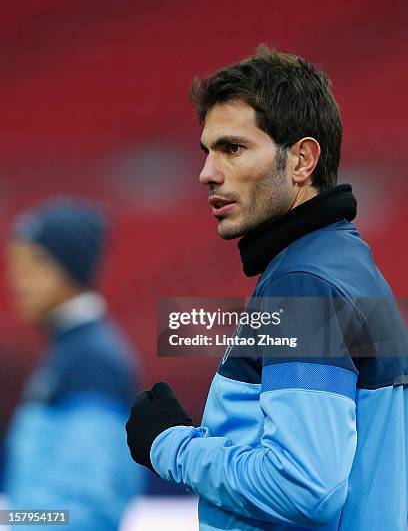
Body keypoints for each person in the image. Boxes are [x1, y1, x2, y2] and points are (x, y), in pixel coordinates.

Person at [126, 47, 408, 530]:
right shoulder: (340, 264)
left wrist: (170, 444)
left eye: (232, 148)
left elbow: (303, 487)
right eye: (206, 151)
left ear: (302, 160)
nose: (207, 173)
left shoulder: (304, 285)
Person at [4, 197, 145, 530]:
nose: (17, 279)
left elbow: (85, 508)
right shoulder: (71, 353)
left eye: (34, 264)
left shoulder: (92, 362)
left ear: (69, 267)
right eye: (15, 264)